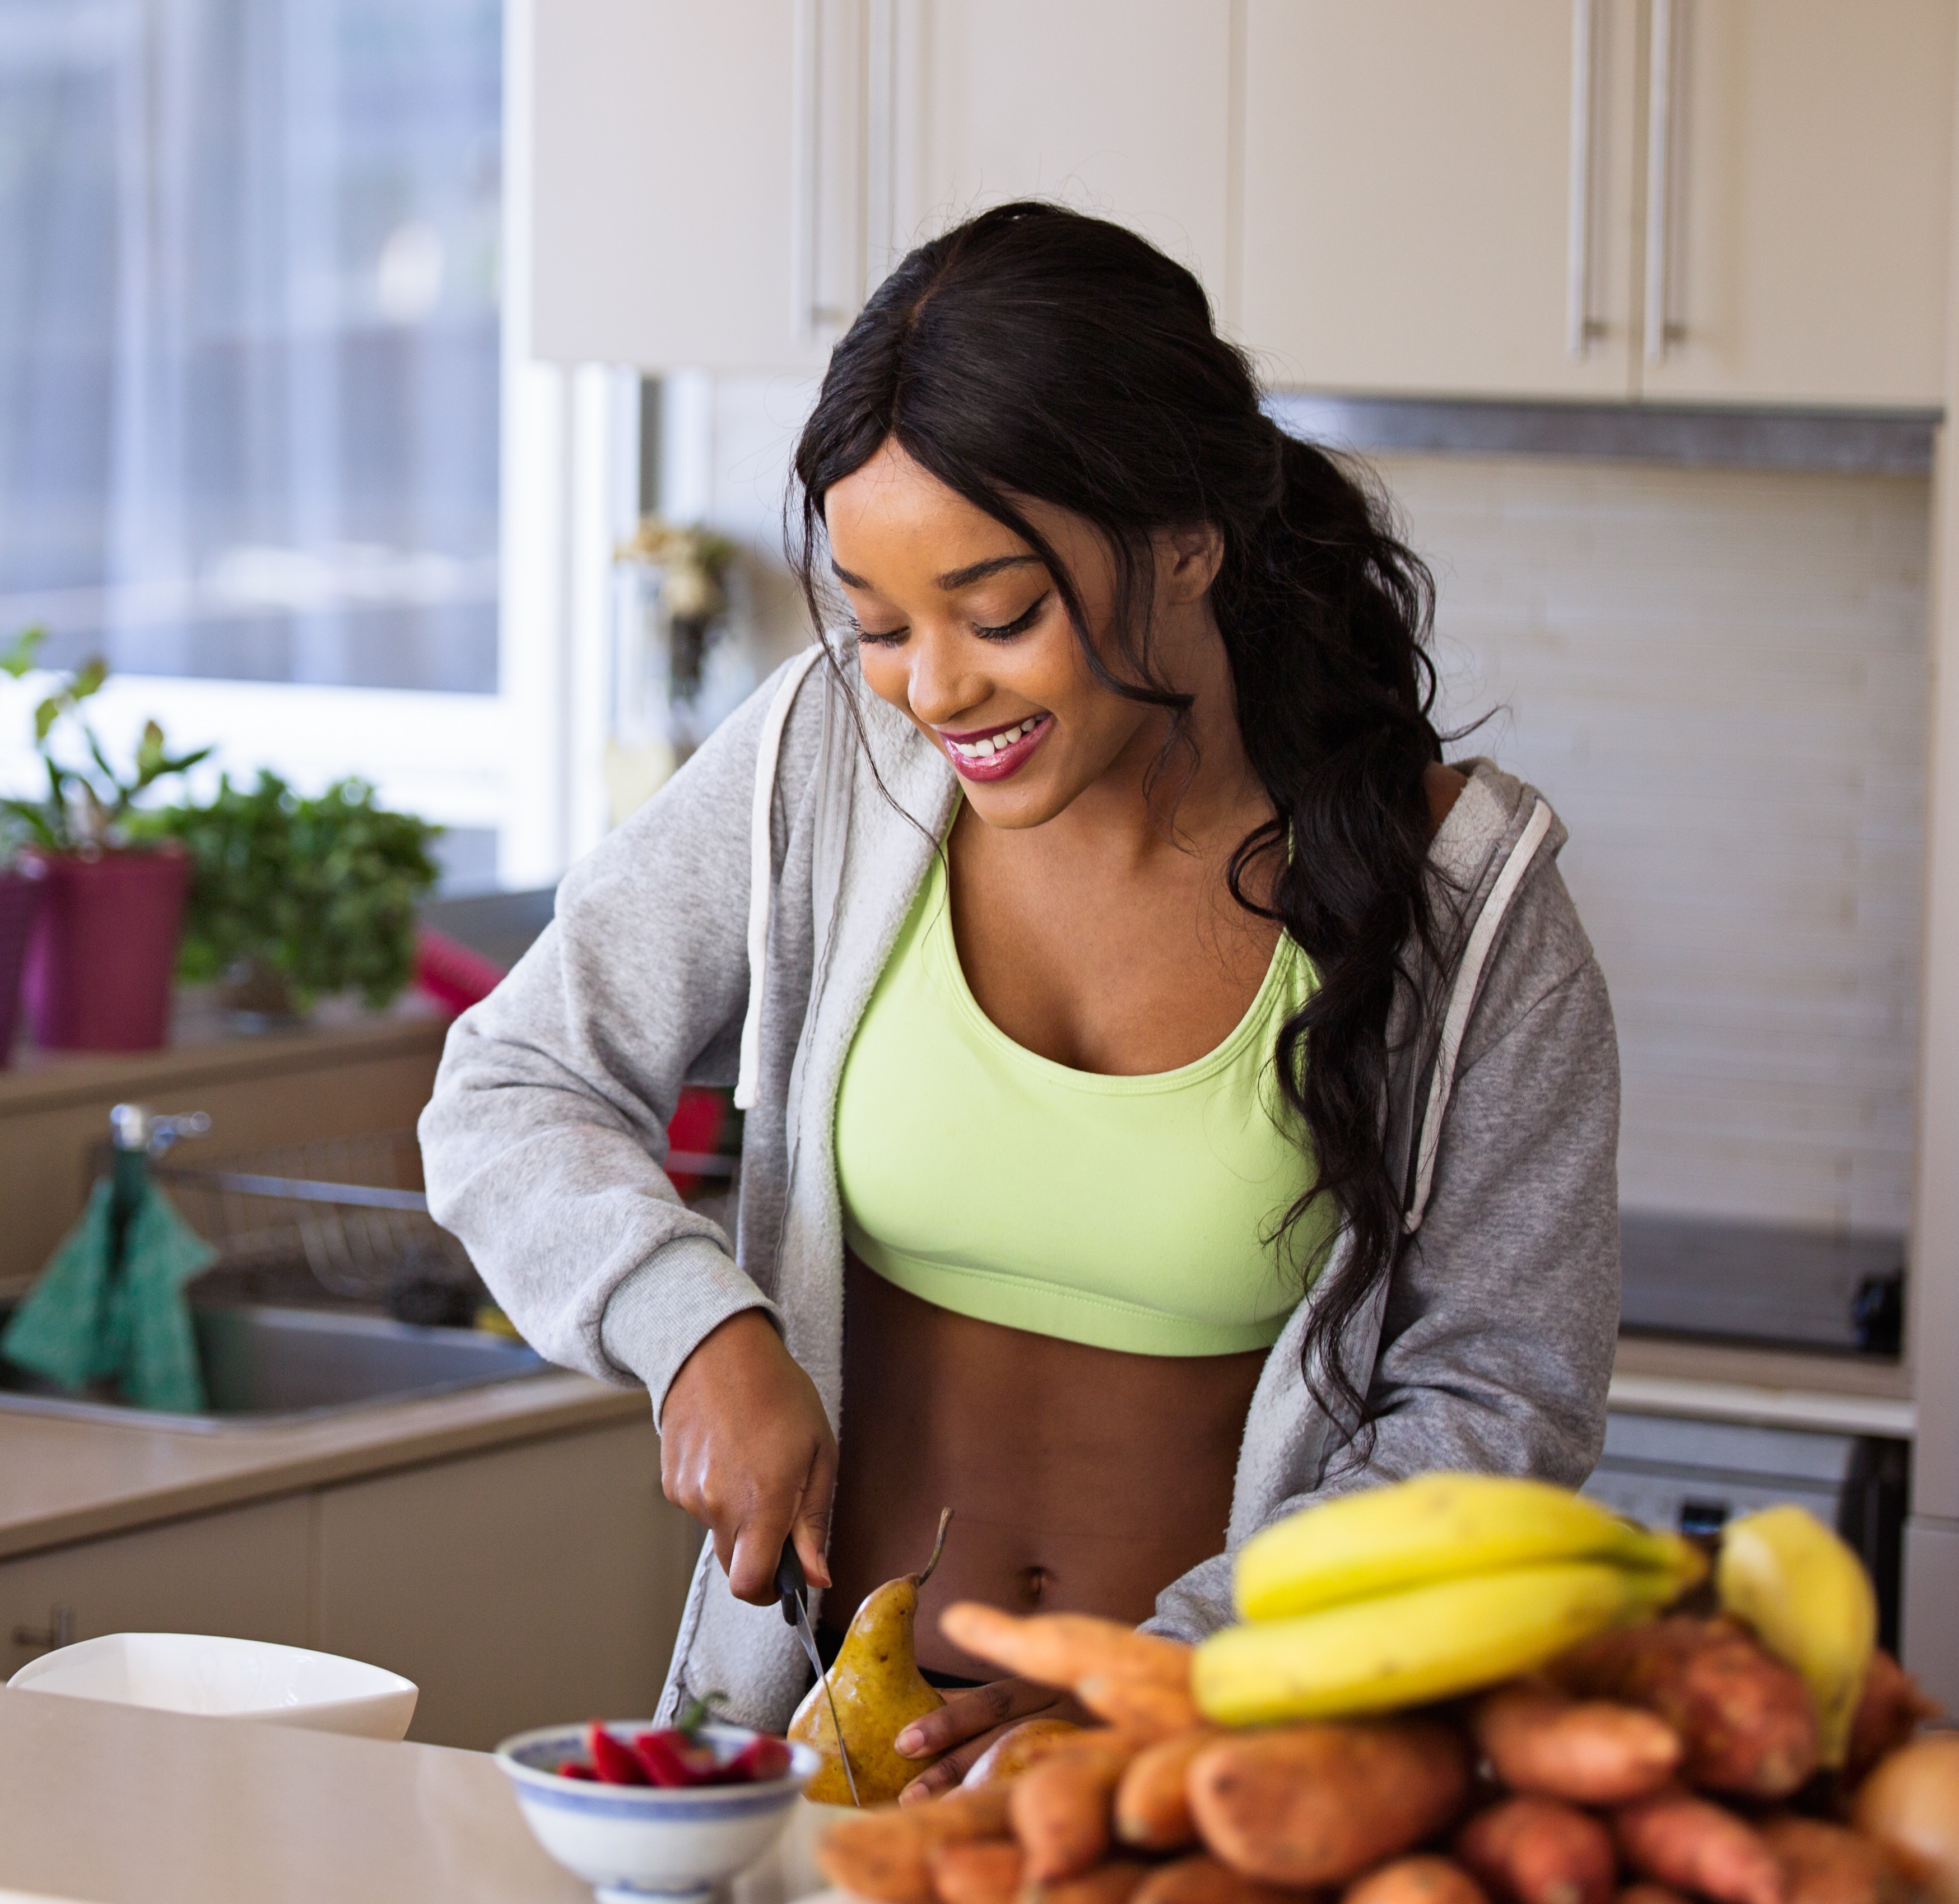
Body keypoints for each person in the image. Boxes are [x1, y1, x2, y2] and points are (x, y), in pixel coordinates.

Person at [418, 203, 1620, 1796]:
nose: (934, 691)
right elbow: (511, 1083)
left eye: (997, 615)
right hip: (822, 1770)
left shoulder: (1462, 899)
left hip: (1210, 1789)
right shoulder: (824, 760)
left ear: (1188, 540)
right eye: (877, 625)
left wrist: (1161, 1689)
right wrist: (695, 1327)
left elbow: (1495, 1409)